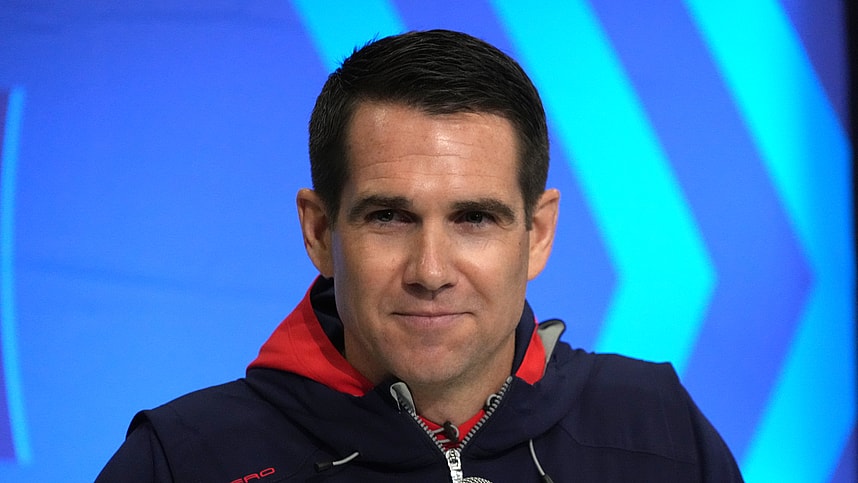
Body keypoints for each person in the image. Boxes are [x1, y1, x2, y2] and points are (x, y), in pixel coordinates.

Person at [97, 29, 743, 482]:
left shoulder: (659, 431)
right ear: (320, 231)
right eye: (389, 216)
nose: (430, 271)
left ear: (538, 233)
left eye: (474, 218)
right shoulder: (182, 463)